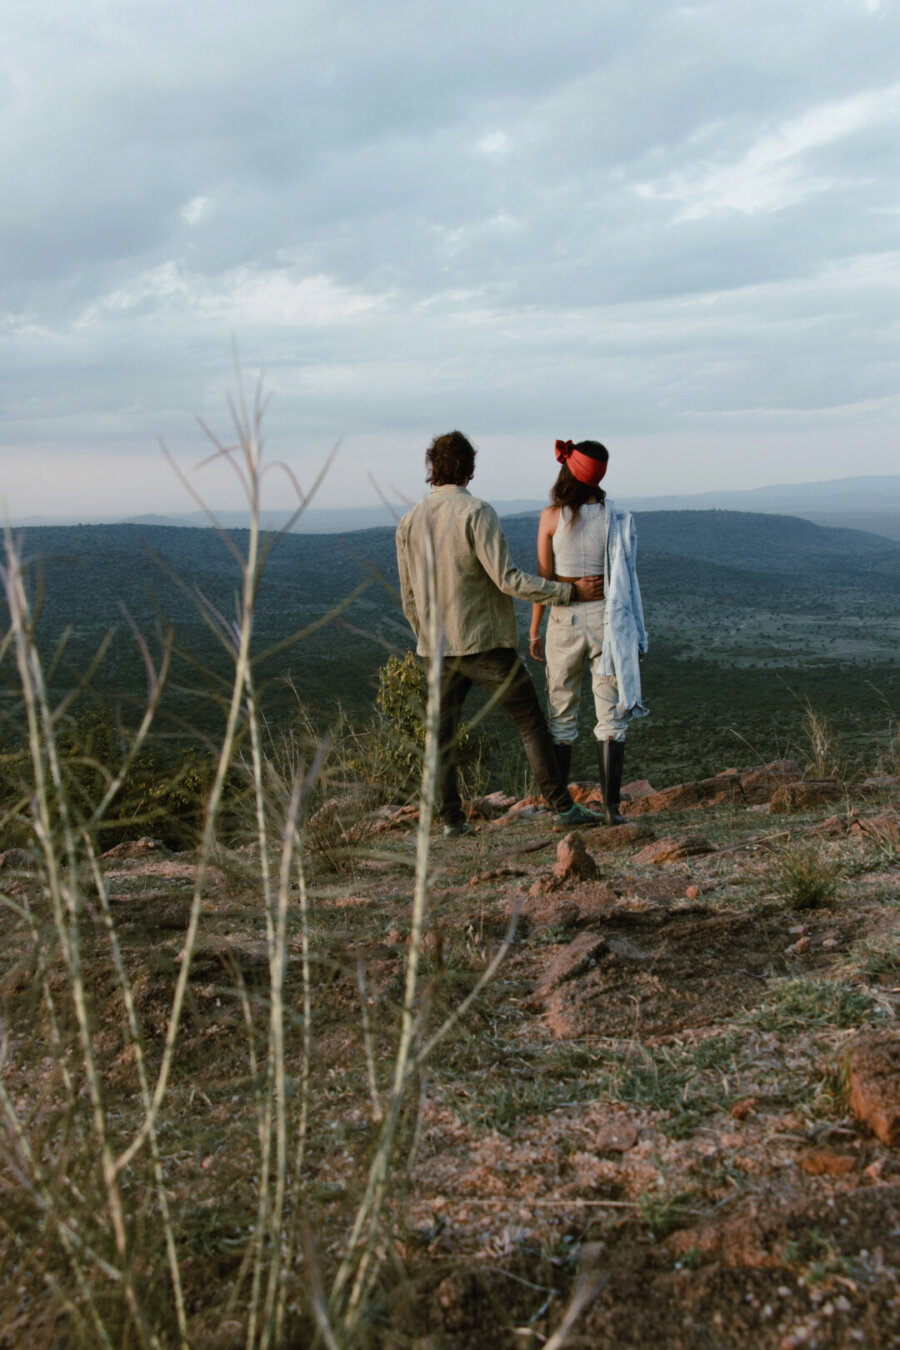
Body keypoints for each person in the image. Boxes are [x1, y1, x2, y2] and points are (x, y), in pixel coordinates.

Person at [395, 430, 607, 835]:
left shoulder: (409, 521)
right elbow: (508, 579)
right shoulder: (477, 513)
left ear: (432, 468)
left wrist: (426, 637)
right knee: (530, 722)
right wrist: (568, 592)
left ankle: (452, 822)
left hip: (437, 647)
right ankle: (563, 809)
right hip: (485, 643)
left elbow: (408, 595)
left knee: (441, 735)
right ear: (469, 469)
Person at [528, 439, 648, 825]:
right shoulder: (614, 517)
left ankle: (561, 809)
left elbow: (544, 582)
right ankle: (612, 809)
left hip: (564, 618)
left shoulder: (550, 518)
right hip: (607, 620)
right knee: (609, 713)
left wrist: (534, 630)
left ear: (567, 471)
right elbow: (627, 576)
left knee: (562, 714)